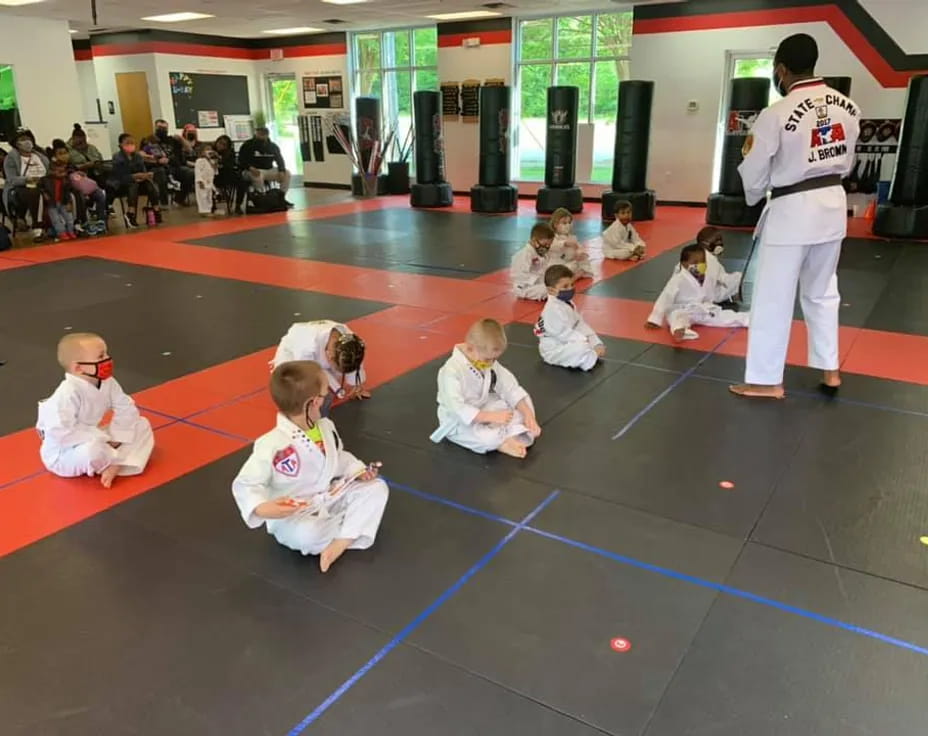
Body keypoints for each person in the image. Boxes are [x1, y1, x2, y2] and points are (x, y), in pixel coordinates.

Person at [730, 33, 860, 399]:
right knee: (822, 292)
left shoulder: (777, 113)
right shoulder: (848, 107)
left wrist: (754, 195)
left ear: (782, 69)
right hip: (833, 205)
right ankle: (830, 369)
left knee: (774, 295)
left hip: (792, 209)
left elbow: (753, 168)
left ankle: (766, 380)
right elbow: (847, 162)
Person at [231, 360, 389, 572]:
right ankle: (352, 527)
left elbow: (338, 456)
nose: (328, 399)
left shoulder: (326, 426)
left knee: (377, 488)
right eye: (326, 394)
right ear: (314, 403)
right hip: (295, 513)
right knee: (308, 536)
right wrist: (263, 507)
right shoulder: (272, 444)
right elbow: (247, 483)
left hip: (329, 495)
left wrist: (357, 472)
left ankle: (341, 542)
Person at [36, 332, 154, 488]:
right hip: (65, 454)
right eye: (100, 357)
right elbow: (60, 433)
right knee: (93, 450)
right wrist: (103, 439)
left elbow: (126, 408)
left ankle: (115, 463)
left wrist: (118, 436)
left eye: (106, 353)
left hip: (94, 436)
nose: (107, 359)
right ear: (78, 368)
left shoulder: (108, 382)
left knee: (141, 425)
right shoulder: (67, 393)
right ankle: (115, 461)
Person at [430, 318, 542, 459]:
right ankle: (503, 442)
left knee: (522, 402)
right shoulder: (450, 371)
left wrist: (528, 416)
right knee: (486, 439)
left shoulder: (484, 360)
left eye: (495, 359)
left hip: (483, 406)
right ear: (470, 348)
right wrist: (491, 417)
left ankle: (507, 436)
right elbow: (457, 409)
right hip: (458, 420)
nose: (491, 363)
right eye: (488, 359)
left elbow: (510, 388)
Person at [646, 244, 749, 341]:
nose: (700, 265)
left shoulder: (707, 277)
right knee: (676, 317)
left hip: (702, 309)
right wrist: (655, 318)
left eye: (703, 261)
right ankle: (680, 330)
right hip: (682, 308)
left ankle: (748, 319)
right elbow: (665, 297)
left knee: (723, 316)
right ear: (684, 264)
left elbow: (710, 294)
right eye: (695, 262)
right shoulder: (678, 279)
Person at [270, 320, 369, 412]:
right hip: (291, 352)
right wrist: (319, 389)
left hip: (324, 351)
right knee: (292, 388)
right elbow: (307, 371)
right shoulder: (307, 345)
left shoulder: (350, 342)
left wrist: (357, 385)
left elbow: (355, 360)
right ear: (329, 356)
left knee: (340, 367)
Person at [534, 264, 605, 370]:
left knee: (590, 340)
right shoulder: (552, 310)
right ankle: (590, 357)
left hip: (565, 342)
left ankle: (589, 355)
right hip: (553, 350)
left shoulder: (567, 303)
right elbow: (563, 334)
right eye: (565, 286)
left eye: (572, 284)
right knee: (582, 347)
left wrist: (595, 342)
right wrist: (586, 342)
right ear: (551, 290)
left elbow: (579, 323)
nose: (571, 288)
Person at [52, 139, 107, 235]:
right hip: (68, 190)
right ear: (55, 156)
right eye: (60, 154)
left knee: (100, 193)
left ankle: (101, 221)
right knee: (79, 195)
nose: (64, 155)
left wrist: (80, 174)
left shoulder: (71, 165)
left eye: (65, 153)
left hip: (81, 186)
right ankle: (83, 222)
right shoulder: (54, 168)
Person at [2, 129, 48, 241]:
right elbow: (12, 179)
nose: (27, 142)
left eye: (28, 138)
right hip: (21, 187)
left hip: (44, 183)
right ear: (16, 143)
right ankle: (38, 229)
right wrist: (28, 179)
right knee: (34, 193)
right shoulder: (11, 158)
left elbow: (49, 170)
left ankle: (75, 225)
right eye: (23, 139)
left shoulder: (40, 156)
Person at [108, 133, 161, 229]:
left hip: (139, 181)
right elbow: (120, 176)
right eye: (128, 143)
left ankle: (156, 209)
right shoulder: (117, 157)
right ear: (121, 144)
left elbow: (142, 170)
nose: (130, 145)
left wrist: (146, 175)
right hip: (122, 183)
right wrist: (134, 176)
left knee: (149, 183)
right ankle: (130, 213)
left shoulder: (137, 156)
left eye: (132, 142)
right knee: (133, 185)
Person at [238, 126, 292, 202]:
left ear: (267, 135)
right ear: (255, 134)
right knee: (257, 175)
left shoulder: (273, 146)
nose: (261, 136)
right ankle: (261, 199)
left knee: (287, 173)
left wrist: (281, 170)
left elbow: (279, 159)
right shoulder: (247, 145)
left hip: (268, 169)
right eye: (259, 134)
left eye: (263, 134)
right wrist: (250, 168)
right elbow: (241, 160)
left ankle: (281, 197)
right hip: (250, 170)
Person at [695, 226, 742, 304]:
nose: (719, 244)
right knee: (738, 277)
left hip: (687, 295)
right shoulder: (711, 260)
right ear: (705, 244)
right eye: (716, 241)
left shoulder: (690, 255)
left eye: (720, 240)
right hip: (709, 297)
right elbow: (723, 280)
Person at [510, 222, 555, 300]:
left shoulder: (543, 254)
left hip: (538, 283)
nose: (547, 247)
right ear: (534, 240)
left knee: (557, 285)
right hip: (524, 287)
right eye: (545, 244)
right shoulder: (524, 254)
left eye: (549, 245)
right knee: (547, 291)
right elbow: (518, 274)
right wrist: (537, 279)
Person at [549, 207, 593, 278]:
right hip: (556, 265)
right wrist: (565, 243)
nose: (567, 225)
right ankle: (574, 277)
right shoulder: (552, 237)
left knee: (584, 261)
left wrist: (580, 253)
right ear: (555, 225)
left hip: (570, 262)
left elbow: (580, 247)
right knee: (562, 270)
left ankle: (575, 275)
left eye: (569, 223)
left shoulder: (572, 237)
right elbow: (552, 245)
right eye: (564, 223)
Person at [40, 160, 77, 241]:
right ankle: (61, 233)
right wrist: (44, 193)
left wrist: (69, 203)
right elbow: (40, 188)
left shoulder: (66, 180)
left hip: (63, 202)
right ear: (51, 171)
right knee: (56, 220)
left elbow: (68, 192)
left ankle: (70, 231)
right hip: (52, 203)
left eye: (64, 171)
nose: (63, 174)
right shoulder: (45, 180)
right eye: (60, 171)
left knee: (70, 218)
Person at [213, 134, 245, 215]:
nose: (220, 145)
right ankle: (212, 207)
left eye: (224, 144)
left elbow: (230, 165)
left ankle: (238, 205)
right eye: (219, 143)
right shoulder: (210, 150)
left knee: (242, 182)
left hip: (226, 175)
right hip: (213, 176)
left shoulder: (230, 153)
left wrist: (220, 159)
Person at [194, 146, 218, 216]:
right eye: (207, 149)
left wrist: (215, 161)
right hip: (202, 181)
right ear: (202, 152)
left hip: (209, 181)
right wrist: (199, 180)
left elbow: (215, 171)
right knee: (202, 196)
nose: (209, 151)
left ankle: (209, 209)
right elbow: (197, 171)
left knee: (209, 196)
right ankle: (203, 211)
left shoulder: (211, 161)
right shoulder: (199, 161)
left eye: (210, 149)